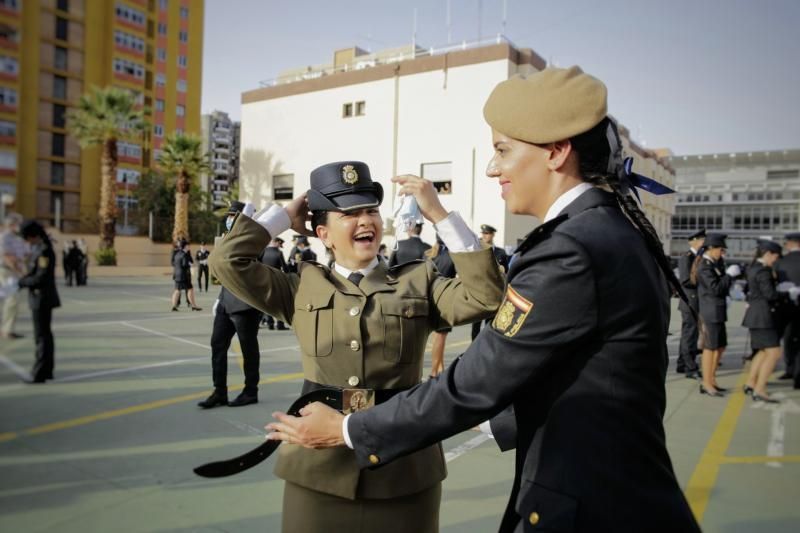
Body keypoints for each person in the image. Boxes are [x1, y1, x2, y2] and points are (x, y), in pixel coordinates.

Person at [266, 67, 701, 533]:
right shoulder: (612, 230)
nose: (493, 167)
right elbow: (578, 374)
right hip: (607, 490)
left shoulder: (570, 248)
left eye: (502, 150)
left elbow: (479, 380)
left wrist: (348, 429)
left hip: (591, 506)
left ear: (556, 152)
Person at [210, 160, 504, 533]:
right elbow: (225, 261)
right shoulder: (300, 285)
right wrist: (284, 215)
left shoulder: (419, 280)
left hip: (403, 468)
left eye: (371, 211)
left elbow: (489, 298)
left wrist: (442, 217)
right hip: (318, 469)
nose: (365, 220)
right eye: (349, 214)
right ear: (324, 233)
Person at [199, 219, 270, 409]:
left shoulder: (254, 240)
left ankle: (250, 391)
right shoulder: (227, 239)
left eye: (234, 217)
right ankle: (219, 391)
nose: (229, 221)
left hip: (245, 304)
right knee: (217, 345)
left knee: (248, 349)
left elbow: (243, 265)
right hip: (225, 301)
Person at [692, 232, 740, 396]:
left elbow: (721, 287)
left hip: (717, 311)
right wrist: (729, 276)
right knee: (710, 348)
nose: (723, 253)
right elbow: (716, 288)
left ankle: (711, 379)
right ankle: (706, 383)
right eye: (721, 249)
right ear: (711, 249)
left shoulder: (715, 264)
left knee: (720, 346)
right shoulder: (705, 266)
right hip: (710, 312)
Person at [17, 220, 61, 383]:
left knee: (42, 336)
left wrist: (21, 282)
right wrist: (24, 279)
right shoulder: (39, 248)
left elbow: (41, 277)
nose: (26, 241)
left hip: (42, 298)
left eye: (26, 238)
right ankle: (46, 370)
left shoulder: (44, 251)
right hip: (39, 297)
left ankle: (40, 373)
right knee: (44, 336)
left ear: (33, 236)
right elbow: (34, 272)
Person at [742, 239, 785, 402]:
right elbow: (770, 295)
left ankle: (751, 383)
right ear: (767, 254)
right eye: (775, 256)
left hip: (755, 316)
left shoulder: (754, 268)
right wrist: (785, 292)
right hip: (763, 317)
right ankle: (760, 389)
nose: (776, 260)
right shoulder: (764, 271)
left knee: (762, 351)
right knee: (774, 353)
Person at [471, 223, 509, 340]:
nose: (485, 236)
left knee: (490, 325)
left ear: (492, 235)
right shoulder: (476, 252)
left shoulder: (500, 253)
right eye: (483, 233)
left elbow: (506, 273)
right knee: (476, 325)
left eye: (487, 233)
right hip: (479, 292)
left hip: (494, 292)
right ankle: (474, 350)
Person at [425, 235, 456, 377]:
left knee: (437, 336)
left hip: (429, 297)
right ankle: (434, 370)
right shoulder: (451, 256)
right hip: (444, 298)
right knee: (440, 337)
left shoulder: (429, 254)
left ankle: (440, 366)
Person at [677, 228, 705, 378]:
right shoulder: (686, 258)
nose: (704, 244)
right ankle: (690, 368)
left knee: (688, 335)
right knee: (690, 335)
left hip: (695, 301)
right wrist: (705, 281)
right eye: (701, 241)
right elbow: (685, 281)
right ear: (693, 242)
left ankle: (682, 364)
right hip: (690, 301)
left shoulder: (699, 258)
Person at [776, 232, 800, 387]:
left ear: (790, 244)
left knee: (789, 339)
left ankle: (790, 369)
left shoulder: (780, 262)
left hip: (786, 306)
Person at [0, 213, 28, 339]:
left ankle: (7, 329)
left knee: (12, 301)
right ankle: (7, 330)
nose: (19, 226)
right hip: (7, 271)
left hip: (13, 271)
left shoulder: (17, 238)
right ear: (11, 225)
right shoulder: (4, 237)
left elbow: (24, 256)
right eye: (18, 224)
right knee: (12, 299)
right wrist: (19, 271)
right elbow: (7, 256)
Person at [260, 237, 289, 330]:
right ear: (276, 242)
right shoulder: (279, 253)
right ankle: (280, 324)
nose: (280, 246)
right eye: (280, 244)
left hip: (264, 280)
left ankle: (270, 323)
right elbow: (285, 268)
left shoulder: (263, 251)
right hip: (276, 281)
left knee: (267, 302)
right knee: (279, 303)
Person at [171, 239, 201, 312]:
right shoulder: (184, 254)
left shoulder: (177, 253)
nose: (189, 247)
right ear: (185, 246)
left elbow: (175, 263)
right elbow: (185, 264)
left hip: (177, 275)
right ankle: (194, 306)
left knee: (177, 290)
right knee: (190, 289)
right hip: (184, 276)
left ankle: (174, 306)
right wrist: (190, 264)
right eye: (188, 246)